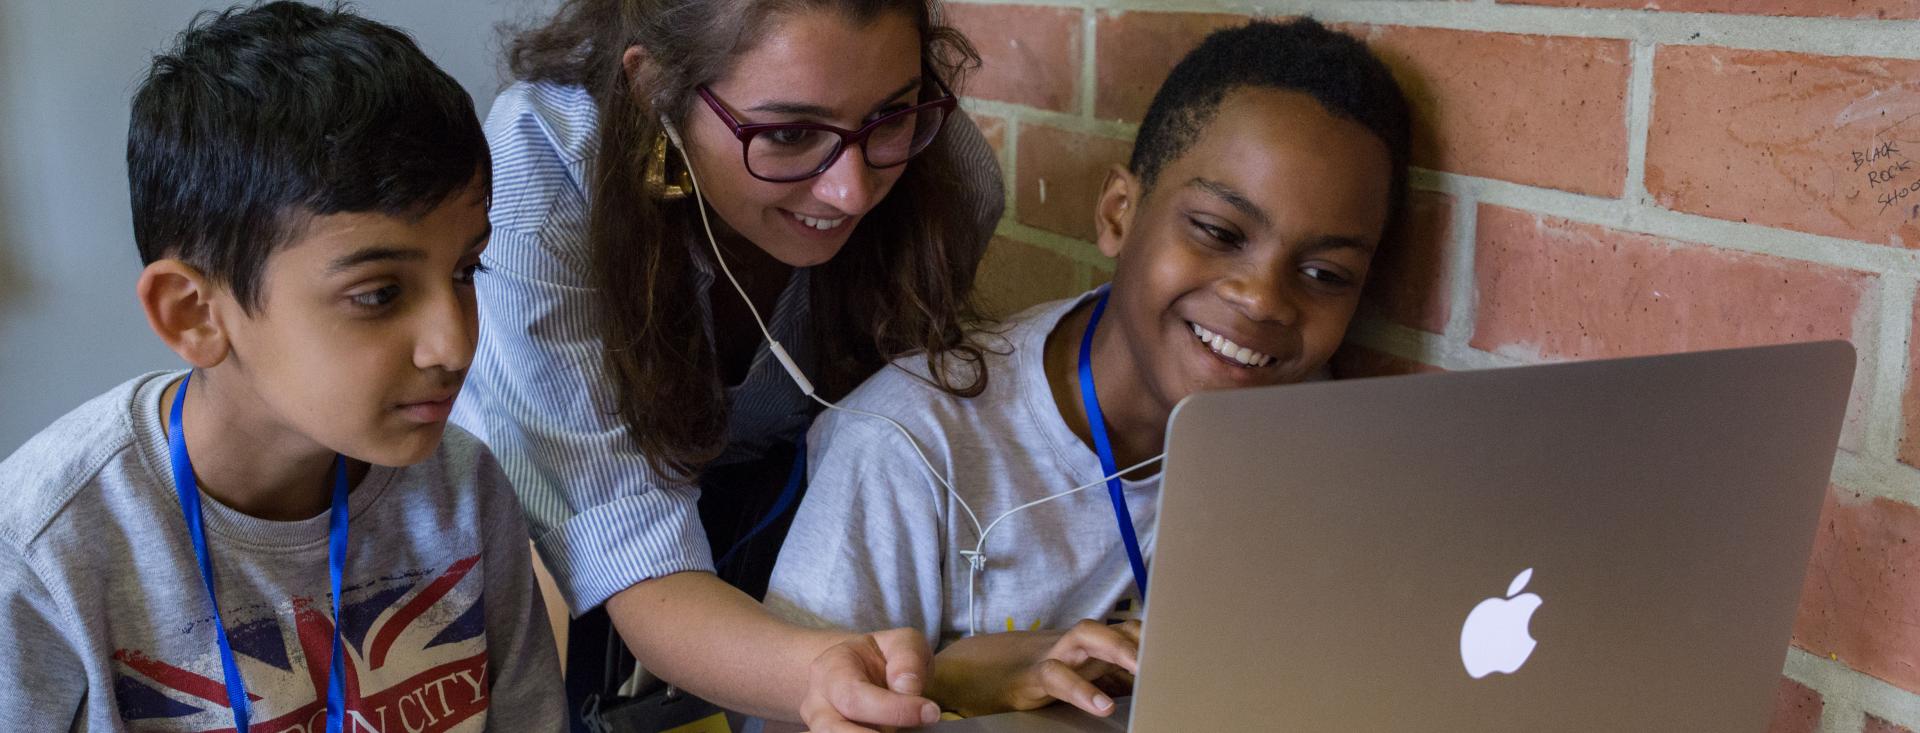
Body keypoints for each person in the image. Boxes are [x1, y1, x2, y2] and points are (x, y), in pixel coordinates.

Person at [765, 17, 1414, 719]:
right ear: (1118, 214)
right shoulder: (908, 443)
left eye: (1324, 273)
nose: (1262, 300)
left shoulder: (1316, 435)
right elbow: (783, 716)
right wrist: (950, 689)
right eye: (1220, 233)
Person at [0, 3, 567, 730]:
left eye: (465, 270)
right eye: (378, 294)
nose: (453, 345)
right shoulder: (44, 554)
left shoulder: (463, 486)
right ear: (193, 314)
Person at [451, 0, 1006, 728]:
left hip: (779, 492)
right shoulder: (542, 182)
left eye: (889, 118)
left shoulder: (950, 174)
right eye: (789, 133)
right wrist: (820, 675)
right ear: (654, 89)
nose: (852, 190)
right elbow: (631, 557)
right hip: (575, 517)